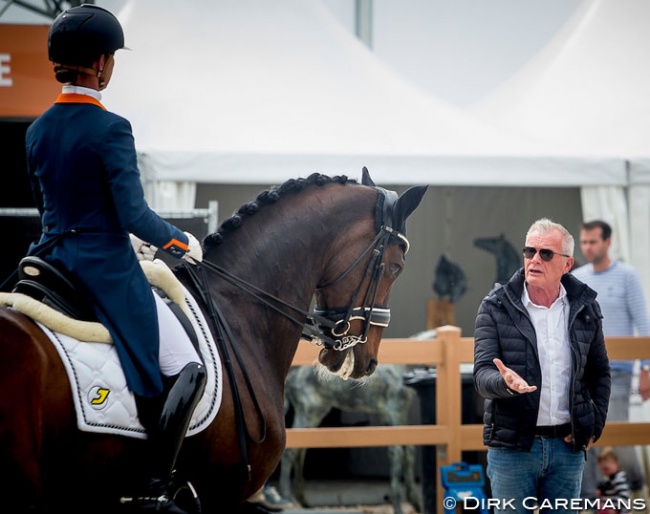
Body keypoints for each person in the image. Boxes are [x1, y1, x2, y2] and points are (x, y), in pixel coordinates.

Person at [25, 5, 206, 513]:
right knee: (186, 365)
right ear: (103, 64)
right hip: (103, 268)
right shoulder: (112, 128)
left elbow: (49, 212)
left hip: (48, 260)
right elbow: (133, 215)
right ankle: (155, 486)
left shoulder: (36, 131)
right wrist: (180, 243)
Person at [474, 217, 611, 514]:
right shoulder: (495, 305)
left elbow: (599, 372)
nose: (534, 259)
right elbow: (483, 374)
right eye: (529, 251)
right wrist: (504, 383)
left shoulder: (586, 307)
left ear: (567, 264)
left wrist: (593, 424)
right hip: (512, 449)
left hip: (567, 448)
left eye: (545, 253)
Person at [572, 220, 650, 498]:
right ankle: (590, 494)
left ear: (607, 242)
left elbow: (644, 323)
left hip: (618, 369)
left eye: (593, 241)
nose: (587, 247)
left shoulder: (627, 276)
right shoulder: (579, 277)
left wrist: (647, 368)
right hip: (583, 371)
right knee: (584, 431)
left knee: (616, 430)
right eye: (584, 242)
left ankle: (636, 488)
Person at [596, 447, 632, 514]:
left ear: (616, 463)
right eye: (602, 469)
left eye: (606, 469)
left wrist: (616, 509)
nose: (604, 472)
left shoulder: (619, 478)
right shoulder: (608, 479)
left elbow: (624, 497)